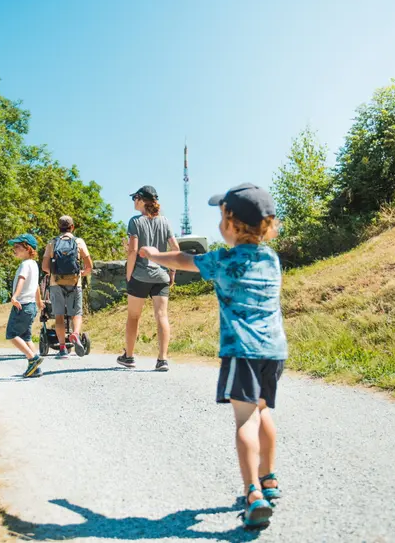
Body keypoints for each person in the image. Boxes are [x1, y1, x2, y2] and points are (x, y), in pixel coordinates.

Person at [138, 183, 286, 530]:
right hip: (274, 350)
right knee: (264, 411)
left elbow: (183, 260)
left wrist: (154, 256)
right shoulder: (272, 259)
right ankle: (270, 479)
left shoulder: (222, 259)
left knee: (245, 420)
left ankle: (253, 495)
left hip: (241, 351)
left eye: (222, 217)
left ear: (232, 224)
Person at [118, 185, 179, 372]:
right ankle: (162, 359)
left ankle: (128, 356)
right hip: (161, 276)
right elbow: (175, 248)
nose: (133, 202)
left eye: (134, 198)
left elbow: (133, 250)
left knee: (133, 316)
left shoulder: (135, 221)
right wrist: (172, 271)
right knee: (162, 315)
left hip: (140, 276)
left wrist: (129, 274)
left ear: (141, 200)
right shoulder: (166, 221)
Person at [41, 215, 93, 358]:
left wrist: (56, 273)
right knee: (76, 313)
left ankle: (63, 349)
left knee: (59, 316)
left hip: (56, 283)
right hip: (75, 283)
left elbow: (45, 267)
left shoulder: (52, 242)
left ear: (59, 227)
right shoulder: (79, 242)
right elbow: (89, 267)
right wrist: (80, 273)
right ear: (72, 227)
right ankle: (75, 334)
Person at [6, 233, 47, 377]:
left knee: (11, 334)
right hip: (31, 306)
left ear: (28, 248)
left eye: (17, 247)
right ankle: (35, 369)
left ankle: (33, 359)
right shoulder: (34, 265)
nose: (14, 249)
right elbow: (35, 285)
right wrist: (39, 301)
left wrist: (15, 296)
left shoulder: (25, 265)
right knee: (26, 337)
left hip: (21, 305)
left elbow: (22, 280)